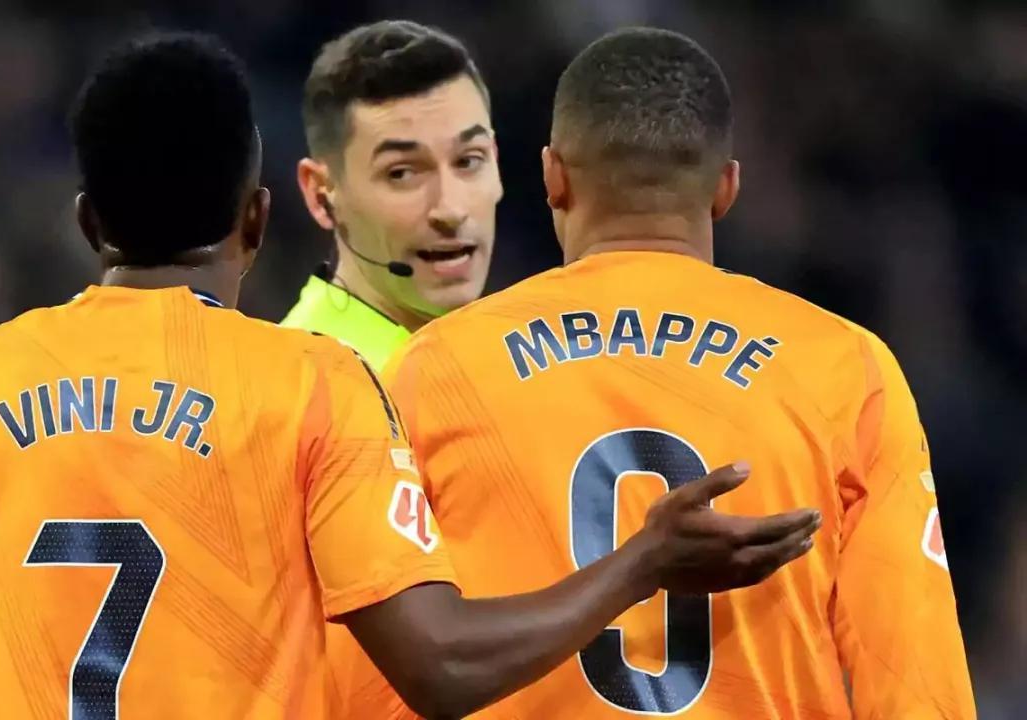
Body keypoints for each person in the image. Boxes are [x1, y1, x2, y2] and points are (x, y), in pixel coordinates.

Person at [0, 32, 821, 719]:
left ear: (88, 223)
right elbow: (441, 664)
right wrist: (639, 563)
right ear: (256, 221)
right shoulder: (312, 386)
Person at [375, 28, 978, 719]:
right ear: (726, 188)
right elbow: (914, 684)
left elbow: (375, 672)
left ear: (552, 177)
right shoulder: (843, 367)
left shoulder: (435, 367)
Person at [281, 20, 501, 369]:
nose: (450, 209)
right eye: (402, 173)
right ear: (321, 194)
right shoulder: (299, 385)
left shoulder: (527, 360)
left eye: (468, 161)